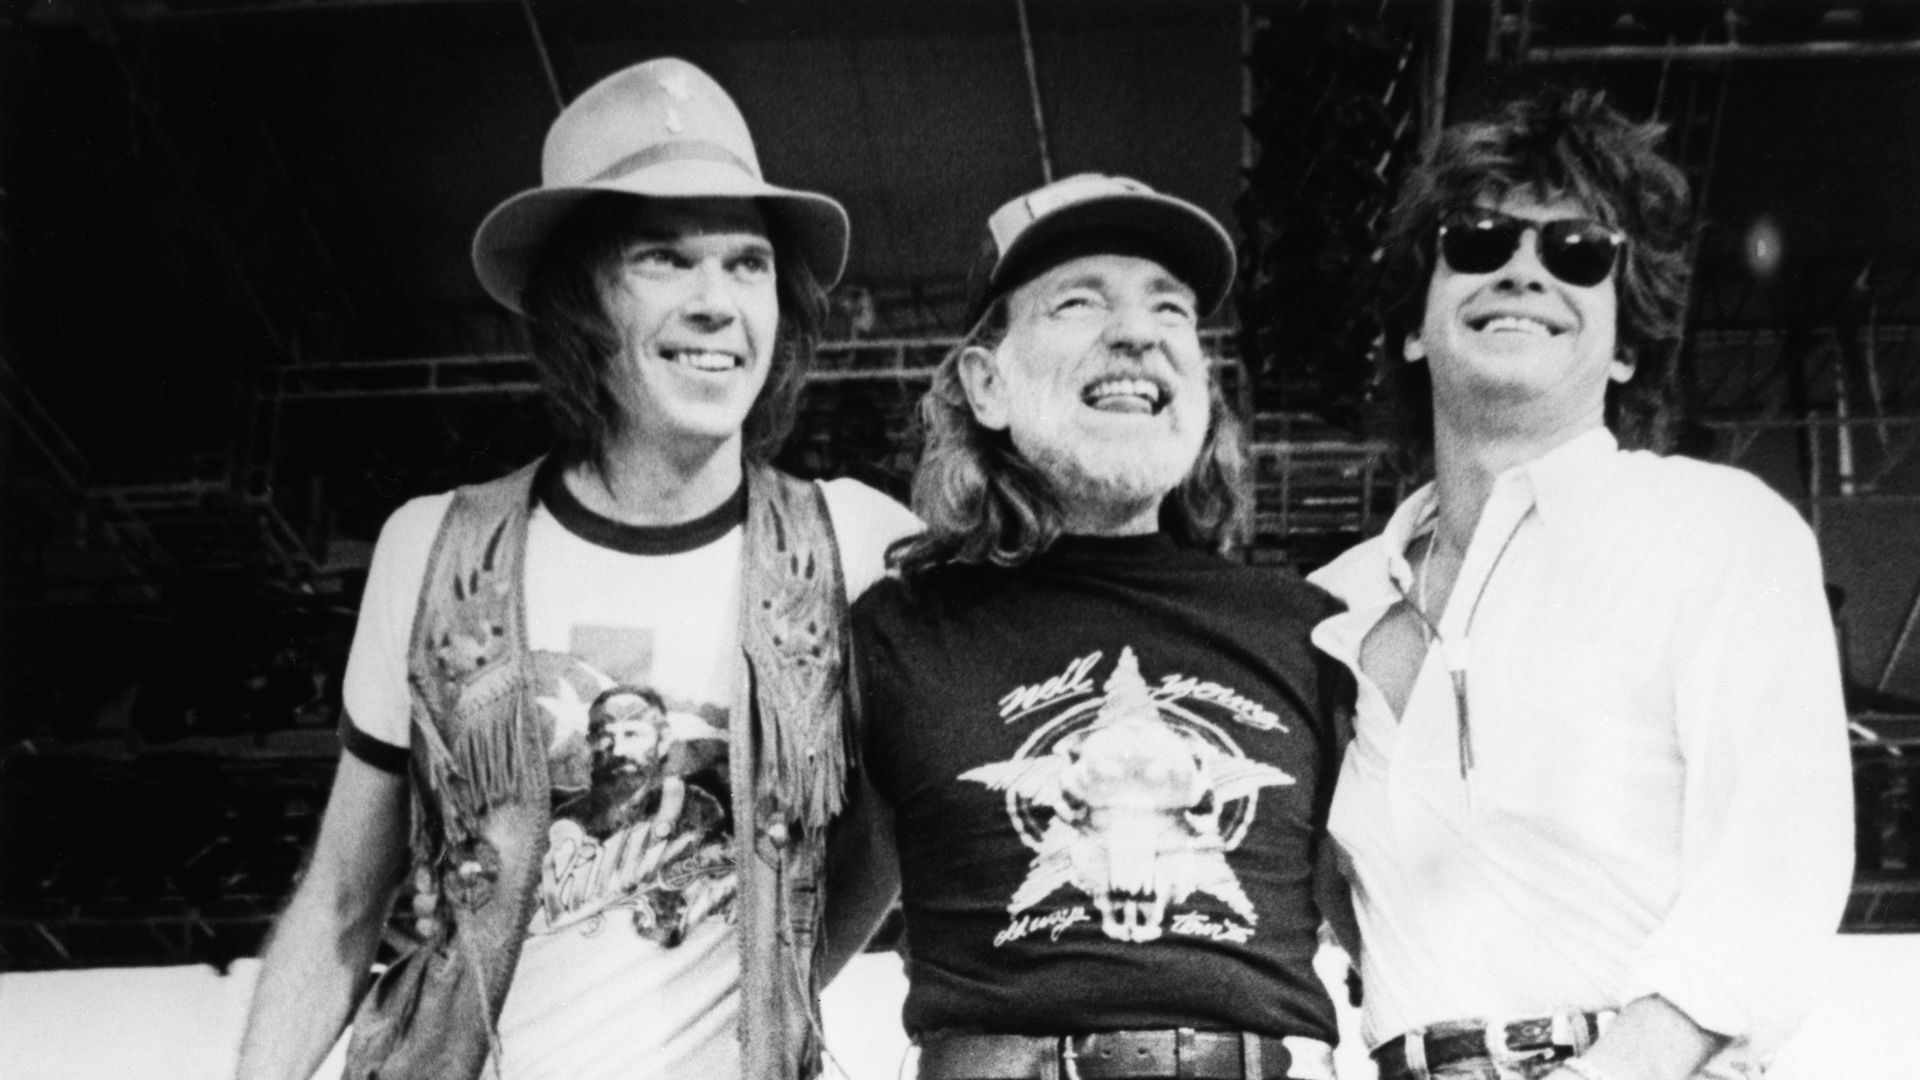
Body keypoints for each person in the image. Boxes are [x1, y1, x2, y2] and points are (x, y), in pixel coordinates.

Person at [235, 57, 919, 1080]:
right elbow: (341, 900)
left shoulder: (857, 546)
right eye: (662, 258)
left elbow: (911, 823)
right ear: (579, 304)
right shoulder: (435, 547)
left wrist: (783, 977)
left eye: (746, 263)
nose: (716, 302)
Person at [1308, 90, 1854, 1080]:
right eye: (1476, 241)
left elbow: (1778, 862)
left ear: (1628, 340)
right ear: (1412, 329)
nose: (1523, 267)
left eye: (1578, 252)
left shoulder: (1717, 529)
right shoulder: (1330, 609)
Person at [843, 173, 1352, 1080]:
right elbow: (796, 936)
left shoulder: (1312, 630)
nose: (1139, 333)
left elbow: (1396, 922)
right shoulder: (894, 632)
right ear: (985, 384)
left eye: (1173, 312)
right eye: (1079, 303)